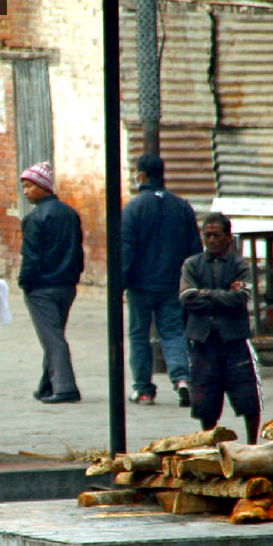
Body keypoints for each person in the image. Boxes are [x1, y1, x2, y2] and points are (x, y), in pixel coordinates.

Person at [122, 153, 202, 406]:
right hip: (173, 285)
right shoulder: (181, 207)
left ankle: (143, 389)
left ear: (142, 176)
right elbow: (195, 249)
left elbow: (125, 250)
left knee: (138, 335)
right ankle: (181, 379)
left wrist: (120, 284)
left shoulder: (132, 209)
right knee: (173, 332)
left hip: (140, 286)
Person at [178, 213, 262, 444]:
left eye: (216, 235)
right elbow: (187, 297)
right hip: (203, 342)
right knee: (205, 399)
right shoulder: (192, 264)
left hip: (234, 340)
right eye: (207, 235)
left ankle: (252, 445)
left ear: (228, 237)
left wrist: (205, 293)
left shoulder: (239, 265)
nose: (211, 240)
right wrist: (224, 294)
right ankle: (210, 445)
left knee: (246, 396)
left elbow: (242, 296)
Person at [18, 162, 84, 404]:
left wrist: (25, 283)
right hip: (66, 286)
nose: (25, 192)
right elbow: (78, 251)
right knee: (54, 333)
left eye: (29, 186)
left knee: (53, 337)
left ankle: (65, 387)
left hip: (42, 288)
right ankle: (47, 385)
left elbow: (31, 256)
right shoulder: (70, 213)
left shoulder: (35, 218)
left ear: (43, 187)